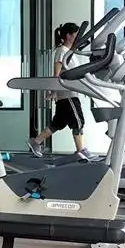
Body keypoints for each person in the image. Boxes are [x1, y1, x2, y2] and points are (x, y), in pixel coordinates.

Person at [27, 22, 94, 161]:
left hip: (69, 93)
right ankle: (81, 150)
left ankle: (35, 142)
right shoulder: (61, 51)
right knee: (78, 121)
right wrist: (54, 91)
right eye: (76, 34)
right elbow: (56, 74)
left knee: (58, 123)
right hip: (67, 94)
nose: (77, 37)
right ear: (68, 35)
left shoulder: (69, 52)